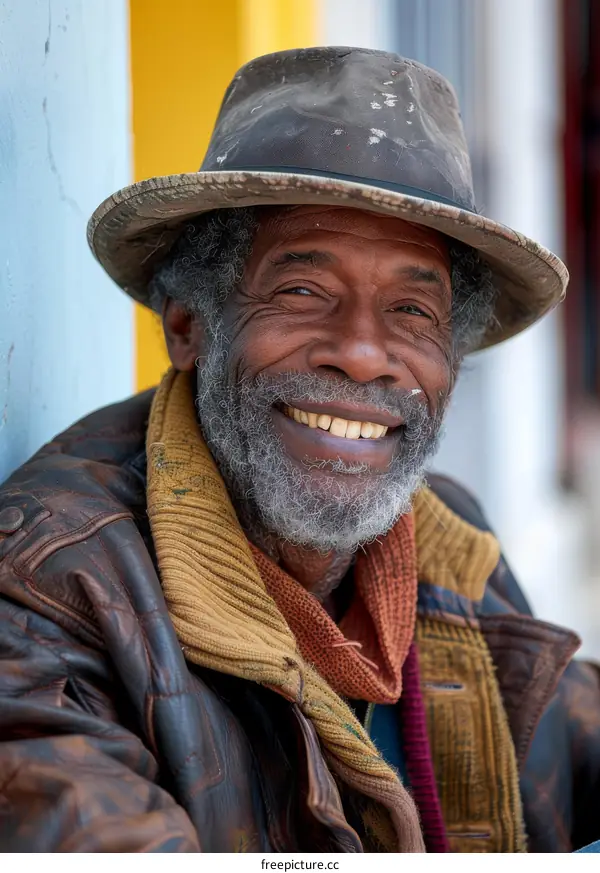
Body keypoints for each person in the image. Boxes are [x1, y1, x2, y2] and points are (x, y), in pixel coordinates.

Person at [0, 46, 598, 854]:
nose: (361, 351)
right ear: (189, 326)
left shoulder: (447, 541)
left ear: (451, 362)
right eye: (302, 291)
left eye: (413, 310)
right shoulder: (49, 584)